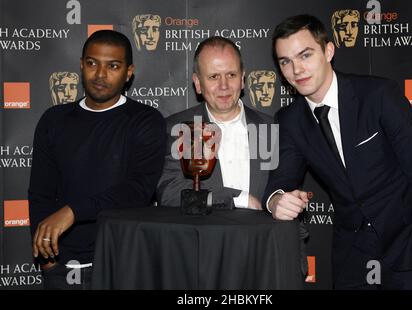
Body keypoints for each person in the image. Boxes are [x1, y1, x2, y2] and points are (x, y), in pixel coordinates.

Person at [264, 14, 412, 289]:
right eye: (285, 62)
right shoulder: (290, 120)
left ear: (328, 51)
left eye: (305, 55)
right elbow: (281, 180)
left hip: (407, 249)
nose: (296, 69)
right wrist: (277, 200)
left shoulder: (378, 95)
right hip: (352, 257)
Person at [28, 30, 166, 289]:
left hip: (123, 262)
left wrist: (73, 211)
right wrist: (48, 260)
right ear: (81, 65)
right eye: (92, 63)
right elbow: (40, 192)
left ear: (128, 72)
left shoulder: (145, 120)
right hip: (61, 268)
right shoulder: (54, 120)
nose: (100, 75)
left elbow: (137, 190)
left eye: (113, 66)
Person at [157, 36, 276, 211]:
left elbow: (283, 190)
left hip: (260, 237)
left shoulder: (271, 128)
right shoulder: (179, 128)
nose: (224, 85)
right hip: (202, 237)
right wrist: (236, 199)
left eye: (231, 75)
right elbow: (170, 192)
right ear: (198, 83)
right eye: (213, 77)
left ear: (243, 79)